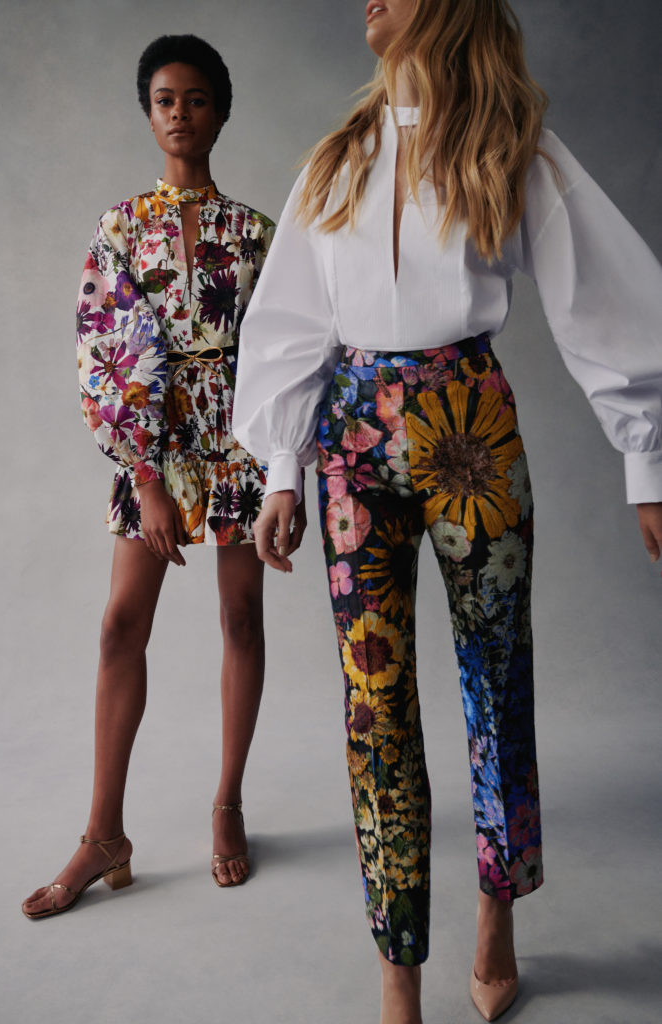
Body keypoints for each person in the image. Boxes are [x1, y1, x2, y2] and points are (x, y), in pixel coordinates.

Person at [232, 1, 662, 1021]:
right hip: (348, 438)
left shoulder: (511, 146)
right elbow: (288, 315)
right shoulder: (337, 155)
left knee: (494, 679)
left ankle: (496, 907)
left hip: (467, 417)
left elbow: (605, 298)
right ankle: (396, 971)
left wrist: (646, 463)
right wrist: (281, 467)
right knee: (371, 709)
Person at [22, 33, 294, 918]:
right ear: (149, 114)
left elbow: (288, 353)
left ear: (221, 110)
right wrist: (144, 477)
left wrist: (281, 466)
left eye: (197, 97)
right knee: (118, 629)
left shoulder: (256, 233)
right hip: (156, 448)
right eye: (165, 99)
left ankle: (227, 804)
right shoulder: (119, 228)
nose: (181, 112)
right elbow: (106, 351)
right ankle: (105, 833)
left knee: (241, 618)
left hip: (241, 443)